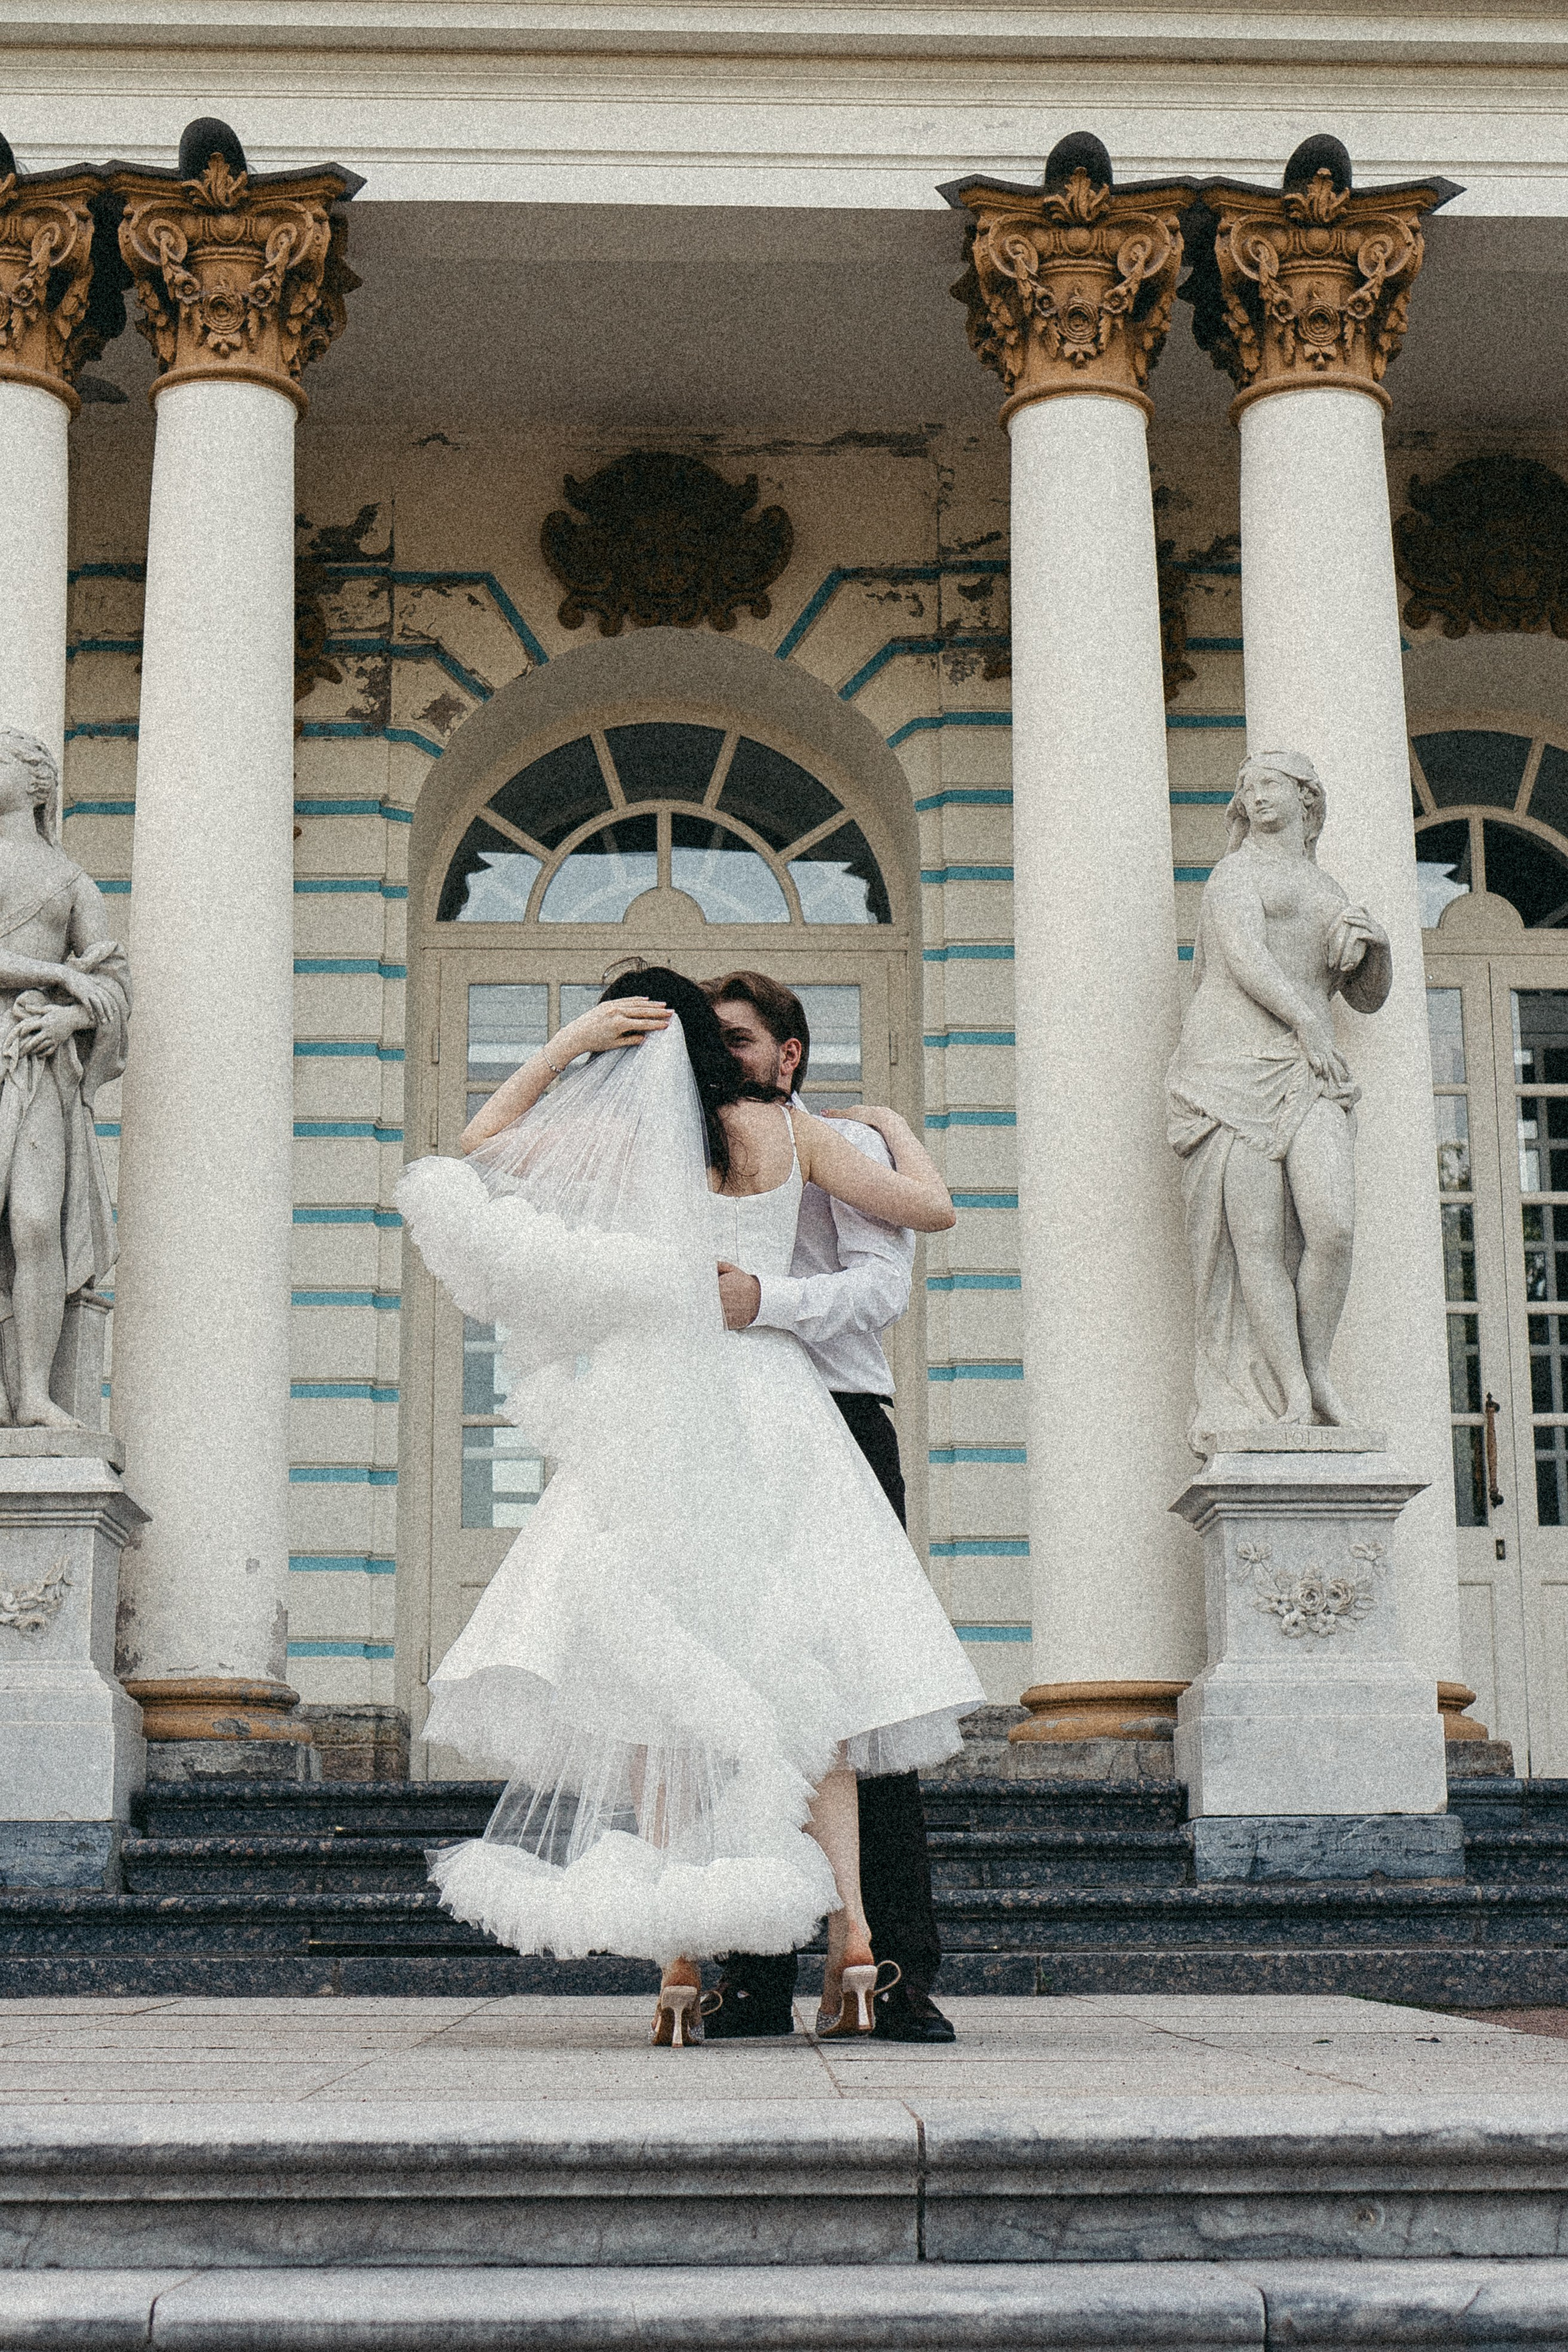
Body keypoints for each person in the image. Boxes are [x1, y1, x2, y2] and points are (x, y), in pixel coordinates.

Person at [398, 966, 982, 2047]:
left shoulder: (631, 1145)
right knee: (820, 1681)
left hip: (669, 1422)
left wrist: (566, 1044)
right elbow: (933, 1210)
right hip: (781, 1411)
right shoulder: (783, 1132)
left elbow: (479, 1147)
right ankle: (853, 1941)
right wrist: (896, 1129)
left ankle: (683, 1961)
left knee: (680, 1694)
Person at [702, 970, 954, 2045]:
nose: (726, 1059)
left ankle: (893, 1971)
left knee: (863, 1700)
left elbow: (879, 1287)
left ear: (789, 1054)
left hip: (844, 1425)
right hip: (731, 1442)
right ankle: (751, 1972)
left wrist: (769, 1305)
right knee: (745, 1706)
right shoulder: (692, 1151)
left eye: (742, 1041)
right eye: (711, 1043)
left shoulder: (848, 1146)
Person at [1167, 750, 1392, 1444]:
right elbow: (1243, 957)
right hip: (1229, 1066)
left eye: (1268, 784)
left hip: (1308, 1068)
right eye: (1246, 787)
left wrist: (1377, 949)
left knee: (1332, 1226)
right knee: (1255, 1241)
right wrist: (1304, 1023)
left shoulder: (1327, 887)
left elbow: (1366, 997)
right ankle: (1293, 1393)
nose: (1254, 795)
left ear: (1306, 798)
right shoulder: (1236, 874)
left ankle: (1318, 1370)